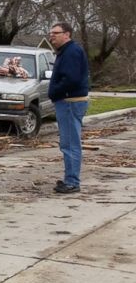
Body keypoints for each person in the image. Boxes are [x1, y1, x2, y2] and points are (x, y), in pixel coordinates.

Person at [47, 22, 89, 194]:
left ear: (67, 34)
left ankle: (72, 182)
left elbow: (71, 79)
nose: (52, 36)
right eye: (50, 33)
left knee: (70, 144)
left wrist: (55, 92)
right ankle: (70, 179)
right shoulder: (66, 52)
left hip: (70, 102)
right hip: (69, 102)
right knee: (69, 143)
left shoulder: (71, 52)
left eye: (56, 33)